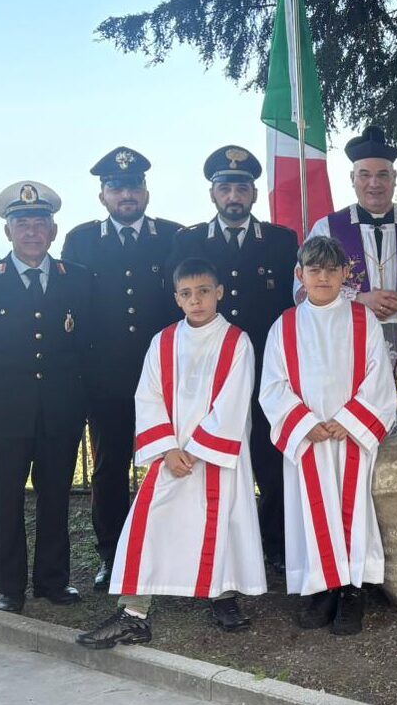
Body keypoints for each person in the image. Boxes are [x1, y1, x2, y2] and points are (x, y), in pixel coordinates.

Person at [76, 258, 266, 648]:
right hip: (172, 454)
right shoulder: (163, 341)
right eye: (187, 294)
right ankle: (133, 613)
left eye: (204, 292)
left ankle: (223, 596)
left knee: (222, 523)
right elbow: (147, 396)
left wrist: (196, 450)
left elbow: (234, 401)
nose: (196, 300)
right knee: (151, 523)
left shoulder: (237, 341)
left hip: (216, 456)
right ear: (176, 298)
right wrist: (166, 449)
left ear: (219, 293)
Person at [0, 182, 92, 613]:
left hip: (60, 409)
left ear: (53, 231)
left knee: (55, 498)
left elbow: (86, 344)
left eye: (40, 223)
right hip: (1, 411)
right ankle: (9, 586)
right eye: (22, 223)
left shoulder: (78, 279)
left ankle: (53, 581)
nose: (32, 231)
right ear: (8, 231)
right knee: (5, 501)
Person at [167, 146, 298, 569]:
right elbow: (178, 304)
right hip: (210, 373)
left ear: (254, 193)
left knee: (271, 458)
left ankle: (275, 545)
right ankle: (214, 542)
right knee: (213, 457)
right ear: (213, 194)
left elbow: (292, 307)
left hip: (266, 370)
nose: (233, 196)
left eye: (242, 188)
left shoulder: (281, 241)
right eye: (225, 188)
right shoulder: (188, 241)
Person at [261, 236, 397, 636]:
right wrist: (305, 423)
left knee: (352, 510)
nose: (323, 277)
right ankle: (321, 588)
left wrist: (350, 420)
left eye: (331, 270)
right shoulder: (285, 325)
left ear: (345, 274)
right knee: (311, 509)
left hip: (349, 435)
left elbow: (378, 375)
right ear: (299, 274)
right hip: (309, 438)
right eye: (314, 270)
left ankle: (352, 589)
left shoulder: (362, 319)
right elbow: (273, 385)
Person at [61, 147, 184, 591]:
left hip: (165, 378)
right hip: (107, 381)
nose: (126, 194)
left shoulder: (172, 236)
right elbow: (71, 307)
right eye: (116, 187)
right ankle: (112, 555)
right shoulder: (81, 241)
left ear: (146, 192)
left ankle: (170, 552)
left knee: (172, 464)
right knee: (109, 469)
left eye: (133, 186)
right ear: (103, 196)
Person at [305, 126, 397, 433]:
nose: (374, 183)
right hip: (348, 344)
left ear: (394, 178)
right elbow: (303, 289)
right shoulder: (326, 228)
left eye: (383, 175)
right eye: (365, 175)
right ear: (352, 178)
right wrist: (359, 299)